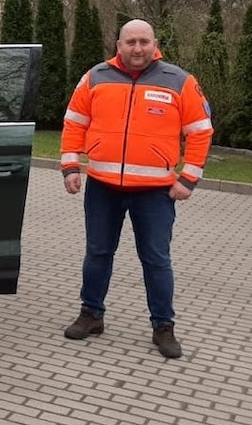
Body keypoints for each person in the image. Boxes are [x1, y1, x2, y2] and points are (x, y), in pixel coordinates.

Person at [59, 19, 213, 359]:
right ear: (118, 44)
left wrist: (188, 178)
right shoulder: (95, 77)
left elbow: (201, 130)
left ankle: (163, 327)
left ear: (154, 43)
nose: (137, 48)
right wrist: (70, 166)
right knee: (98, 253)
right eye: (130, 42)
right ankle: (91, 314)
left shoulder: (179, 81)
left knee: (156, 260)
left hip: (155, 193)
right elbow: (73, 123)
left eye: (144, 41)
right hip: (102, 186)